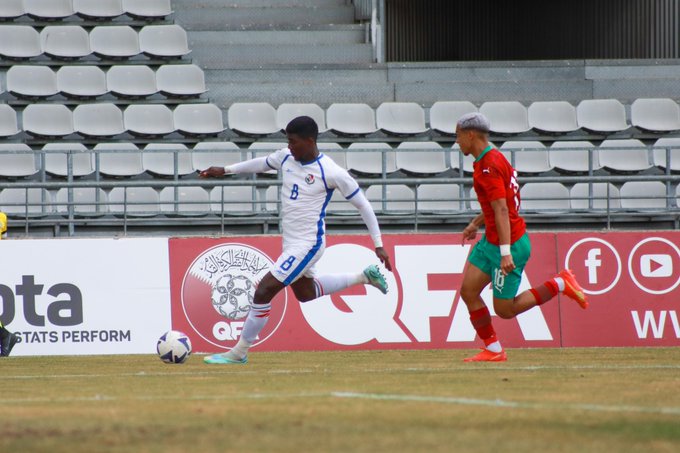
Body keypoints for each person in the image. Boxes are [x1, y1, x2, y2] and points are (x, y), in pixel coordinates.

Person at [199, 116, 392, 364]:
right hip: (290, 242)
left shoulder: (331, 172)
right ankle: (364, 276)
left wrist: (378, 244)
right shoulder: (286, 157)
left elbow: (363, 205)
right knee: (306, 293)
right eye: (288, 142)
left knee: (264, 290)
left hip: (308, 244)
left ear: (310, 141)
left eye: (293, 142)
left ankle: (239, 352)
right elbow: (261, 164)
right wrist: (225, 170)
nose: (289, 147)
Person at [456, 112, 588, 362]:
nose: (457, 141)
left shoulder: (488, 166)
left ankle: (560, 283)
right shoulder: (491, 159)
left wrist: (505, 252)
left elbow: (503, 209)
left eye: (458, 135)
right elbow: (497, 204)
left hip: (509, 244)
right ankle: (494, 350)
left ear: (470, 134)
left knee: (505, 310)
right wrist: (475, 223)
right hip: (491, 241)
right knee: (468, 291)